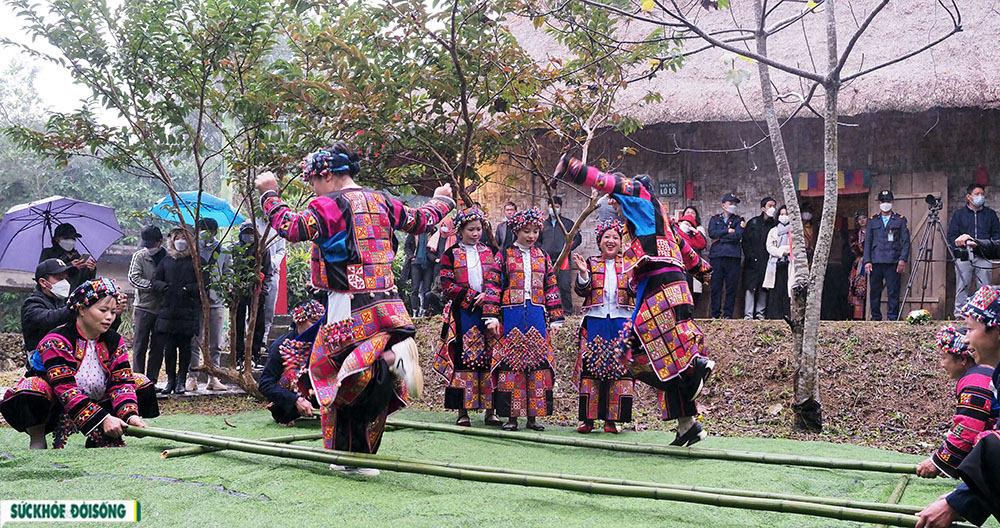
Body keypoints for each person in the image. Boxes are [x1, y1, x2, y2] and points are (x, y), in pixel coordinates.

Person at [256, 141, 455, 474]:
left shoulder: (328, 204)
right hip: (386, 301)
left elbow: (292, 228)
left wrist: (269, 195)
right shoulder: (381, 200)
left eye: (314, 181)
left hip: (347, 303)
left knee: (335, 374)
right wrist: (442, 200)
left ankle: (391, 359)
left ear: (328, 175)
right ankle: (354, 456)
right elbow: (420, 220)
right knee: (361, 382)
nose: (312, 188)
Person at [554, 155, 715, 447]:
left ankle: (696, 367)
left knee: (634, 350)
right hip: (673, 286)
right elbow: (687, 252)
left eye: (615, 201)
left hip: (659, 285)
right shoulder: (659, 221)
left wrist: (572, 169)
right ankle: (687, 425)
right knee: (655, 358)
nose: (614, 204)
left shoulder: (641, 196)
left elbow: (608, 182)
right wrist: (703, 271)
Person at [1, 279, 157, 449]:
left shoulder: (114, 341)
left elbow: (122, 382)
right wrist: (102, 418)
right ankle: (38, 439)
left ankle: (103, 435)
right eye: (103, 310)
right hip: (57, 403)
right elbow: (65, 389)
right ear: (82, 309)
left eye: (113, 312)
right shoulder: (55, 341)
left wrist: (130, 415)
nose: (109, 317)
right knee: (32, 388)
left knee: (139, 381)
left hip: (97, 396)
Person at [917, 286, 1000, 528]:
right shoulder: (995, 375)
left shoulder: (975, 380)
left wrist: (955, 501)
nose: (965, 338)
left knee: (989, 444)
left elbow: (971, 430)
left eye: (971, 329)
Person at [491, 208, 563, 432]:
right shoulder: (504, 256)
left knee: (537, 365)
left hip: (536, 314)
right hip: (511, 314)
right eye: (526, 231)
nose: (531, 236)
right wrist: (491, 316)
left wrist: (556, 319)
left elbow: (551, 287)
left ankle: (533, 417)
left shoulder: (543, 256)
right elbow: (493, 286)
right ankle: (511, 417)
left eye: (534, 231)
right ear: (516, 231)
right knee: (511, 365)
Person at [433, 208, 503, 427]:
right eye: (471, 229)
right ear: (460, 230)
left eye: (479, 229)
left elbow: (499, 280)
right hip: (463, 313)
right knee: (464, 359)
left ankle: (491, 412)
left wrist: (489, 296)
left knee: (491, 357)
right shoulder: (450, 254)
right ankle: (463, 411)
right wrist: (473, 297)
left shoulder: (491, 252)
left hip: (489, 312)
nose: (475, 233)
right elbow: (447, 285)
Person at [571, 218, 635, 434]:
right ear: (599, 242)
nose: (611, 241)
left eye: (615, 237)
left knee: (619, 370)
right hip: (596, 320)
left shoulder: (628, 264)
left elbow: (636, 291)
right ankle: (588, 420)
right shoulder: (591, 263)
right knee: (591, 370)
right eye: (606, 237)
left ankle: (612, 420)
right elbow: (582, 291)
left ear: (621, 242)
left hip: (621, 321)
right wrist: (582, 273)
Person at [915, 326, 996, 480]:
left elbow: (969, 427)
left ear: (963, 360)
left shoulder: (975, 380)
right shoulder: (983, 373)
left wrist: (938, 461)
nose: (942, 364)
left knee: (983, 439)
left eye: (944, 357)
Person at [147, 228, 203, 395]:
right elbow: (155, 281)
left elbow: (203, 283)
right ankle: (170, 380)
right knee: (169, 348)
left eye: (184, 238)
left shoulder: (196, 260)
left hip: (188, 311)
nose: (180, 240)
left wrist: (188, 289)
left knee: (185, 348)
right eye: (177, 238)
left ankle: (181, 380)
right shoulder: (166, 261)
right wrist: (165, 288)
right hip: (168, 311)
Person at [258, 300, 325, 426]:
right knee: (292, 371)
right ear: (299, 321)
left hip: (319, 401)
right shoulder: (281, 346)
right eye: (313, 322)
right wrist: (294, 400)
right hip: (289, 407)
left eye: (321, 323)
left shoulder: (325, 344)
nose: (318, 327)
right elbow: (265, 384)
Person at [188, 218, 228, 392]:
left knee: (215, 342)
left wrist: (226, 288)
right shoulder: (192, 250)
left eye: (208, 230)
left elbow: (229, 272)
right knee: (195, 340)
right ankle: (192, 377)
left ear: (214, 232)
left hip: (216, 302)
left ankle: (213, 377)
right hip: (195, 301)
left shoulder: (224, 251)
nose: (204, 233)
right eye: (201, 230)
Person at [949, 184, 1000, 318]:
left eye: (982, 194)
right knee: (962, 285)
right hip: (964, 255)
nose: (980, 197)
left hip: (984, 254)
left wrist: (990, 247)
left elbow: (996, 235)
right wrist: (959, 248)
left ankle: (985, 314)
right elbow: (951, 236)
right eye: (977, 194)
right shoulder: (959, 215)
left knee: (984, 287)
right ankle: (960, 315)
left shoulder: (990, 214)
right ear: (968, 197)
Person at [863, 190, 910, 321]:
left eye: (888, 201)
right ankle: (875, 317)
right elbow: (867, 242)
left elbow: (906, 242)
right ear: (879, 203)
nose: (885, 204)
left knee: (893, 291)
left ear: (892, 202)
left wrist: (902, 259)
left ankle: (892, 317)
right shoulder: (872, 221)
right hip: (876, 261)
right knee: (875, 291)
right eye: (883, 201)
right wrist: (867, 261)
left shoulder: (900, 220)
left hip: (893, 261)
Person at [231, 221, 272, 367]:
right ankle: (238, 355)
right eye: (246, 233)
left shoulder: (263, 249)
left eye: (251, 233)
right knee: (238, 323)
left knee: (257, 323)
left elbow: (268, 272)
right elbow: (229, 271)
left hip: (257, 292)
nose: (248, 236)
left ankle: (255, 354)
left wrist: (263, 291)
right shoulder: (234, 249)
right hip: (239, 292)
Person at [128, 225, 165, 376]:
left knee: (158, 347)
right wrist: (152, 286)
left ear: (160, 242)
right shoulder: (140, 256)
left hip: (162, 309)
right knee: (139, 345)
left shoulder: (167, 257)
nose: (149, 248)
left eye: (152, 244)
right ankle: (137, 378)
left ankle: (152, 380)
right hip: (143, 307)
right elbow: (133, 278)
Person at [539, 196, 583, 315]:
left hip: (563, 260)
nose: (554, 209)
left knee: (564, 286)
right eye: (551, 207)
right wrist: (541, 252)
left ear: (560, 208)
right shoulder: (542, 225)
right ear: (548, 208)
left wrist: (568, 248)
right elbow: (537, 241)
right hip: (546, 261)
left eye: (556, 207)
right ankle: (547, 311)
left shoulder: (568, 224)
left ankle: (567, 313)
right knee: (546, 286)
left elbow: (578, 238)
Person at [708, 193, 744, 319]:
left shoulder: (739, 220)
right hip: (717, 257)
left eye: (735, 204)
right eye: (730, 203)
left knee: (731, 287)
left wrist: (720, 237)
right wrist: (727, 231)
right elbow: (712, 233)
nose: (733, 206)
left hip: (733, 256)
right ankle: (715, 314)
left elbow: (737, 236)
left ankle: (728, 314)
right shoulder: (715, 219)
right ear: (723, 205)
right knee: (716, 286)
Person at [741, 197, 777, 320]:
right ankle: (748, 314)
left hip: (768, 260)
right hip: (752, 261)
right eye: (769, 205)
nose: (772, 208)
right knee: (750, 287)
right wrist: (750, 256)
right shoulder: (753, 223)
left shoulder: (775, 225)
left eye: (774, 206)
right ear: (763, 208)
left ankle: (760, 313)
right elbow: (745, 242)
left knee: (764, 286)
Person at [257, 217, 287, 346]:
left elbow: (281, 250)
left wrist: (272, 262)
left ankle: (263, 338)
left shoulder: (279, 228)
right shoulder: (253, 223)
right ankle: (250, 336)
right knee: (253, 307)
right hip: (255, 271)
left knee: (269, 307)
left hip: (273, 272)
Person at [38, 223, 96, 291]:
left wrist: (91, 270)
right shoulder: (48, 253)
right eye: (66, 238)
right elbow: (43, 274)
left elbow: (85, 282)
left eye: (73, 238)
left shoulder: (77, 257)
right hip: (54, 295)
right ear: (57, 239)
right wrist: (70, 267)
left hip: (73, 296)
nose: (70, 241)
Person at [764, 206, 793, 320]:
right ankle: (774, 315)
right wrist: (781, 252)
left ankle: (787, 314)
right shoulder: (773, 230)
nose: (784, 216)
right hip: (776, 263)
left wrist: (788, 251)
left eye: (786, 214)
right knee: (775, 290)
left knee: (788, 290)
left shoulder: (794, 230)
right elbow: (769, 246)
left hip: (790, 263)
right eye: (781, 214)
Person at [404, 230, 435, 316]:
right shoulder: (414, 232)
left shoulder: (432, 232)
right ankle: (415, 312)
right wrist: (411, 256)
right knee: (415, 288)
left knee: (427, 289)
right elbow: (407, 246)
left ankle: (424, 311)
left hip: (428, 264)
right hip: (416, 264)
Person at [847, 211, 868, 320]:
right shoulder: (855, 235)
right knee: (856, 289)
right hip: (858, 264)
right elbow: (852, 249)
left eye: (864, 218)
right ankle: (857, 317)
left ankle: (869, 315)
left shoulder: (872, 232)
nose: (862, 221)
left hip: (869, 263)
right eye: (860, 219)